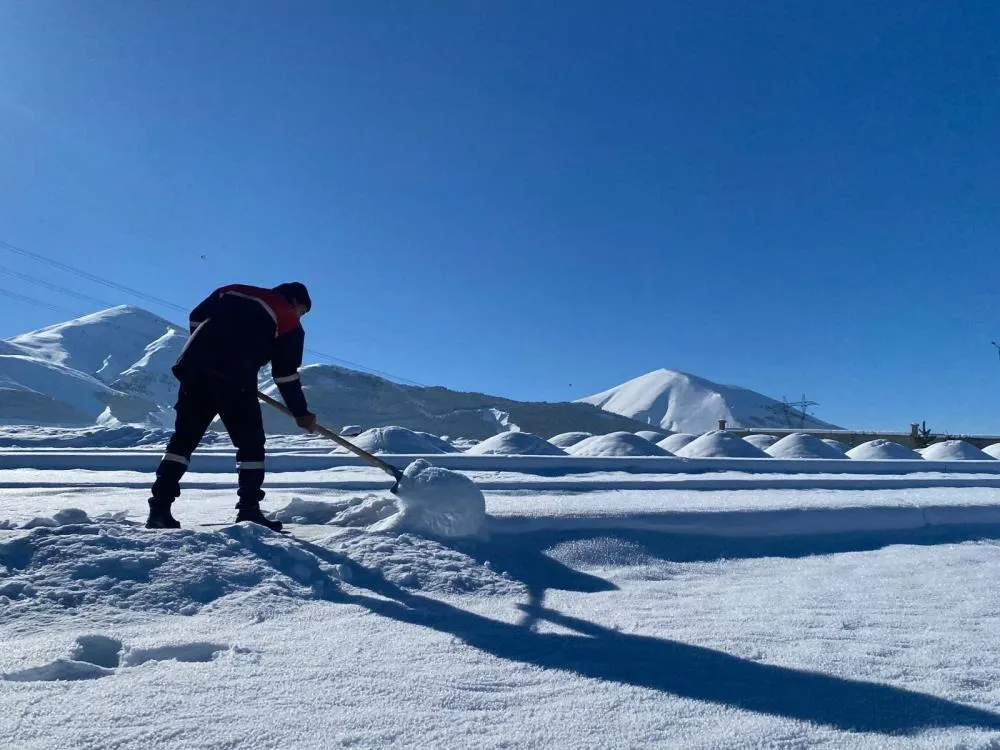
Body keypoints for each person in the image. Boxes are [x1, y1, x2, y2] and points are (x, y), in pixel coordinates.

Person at [146, 282, 318, 531]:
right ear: (293, 302)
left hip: (193, 369)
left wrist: (208, 353)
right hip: (235, 378)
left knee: (183, 440)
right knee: (250, 444)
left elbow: (196, 316)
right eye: (302, 311)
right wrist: (301, 413)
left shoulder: (232, 290)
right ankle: (249, 510)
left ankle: (159, 509)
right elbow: (285, 375)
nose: (300, 316)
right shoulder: (288, 319)